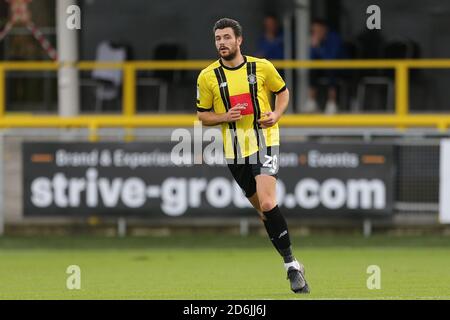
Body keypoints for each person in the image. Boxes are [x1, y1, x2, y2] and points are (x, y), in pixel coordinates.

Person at [196, 17, 310, 294]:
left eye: (226, 37)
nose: (221, 43)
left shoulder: (262, 67)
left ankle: (290, 268)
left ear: (239, 40)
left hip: (264, 140)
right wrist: (224, 116)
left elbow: (282, 93)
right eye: (217, 38)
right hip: (235, 150)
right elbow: (202, 115)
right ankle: (294, 261)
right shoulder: (207, 76)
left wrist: (277, 115)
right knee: (263, 212)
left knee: (269, 203)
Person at [306, 18, 346, 114]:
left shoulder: (334, 39)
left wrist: (319, 47)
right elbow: (312, 59)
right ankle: (312, 101)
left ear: (324, 29)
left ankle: (332, 102)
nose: (316, 33)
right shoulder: (316, 41)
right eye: (314, 31)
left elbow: (331, 58)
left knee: (331, 69)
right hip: (324, 68)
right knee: (312, 69)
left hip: (341, 68)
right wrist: (314, 47)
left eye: (318, 30)